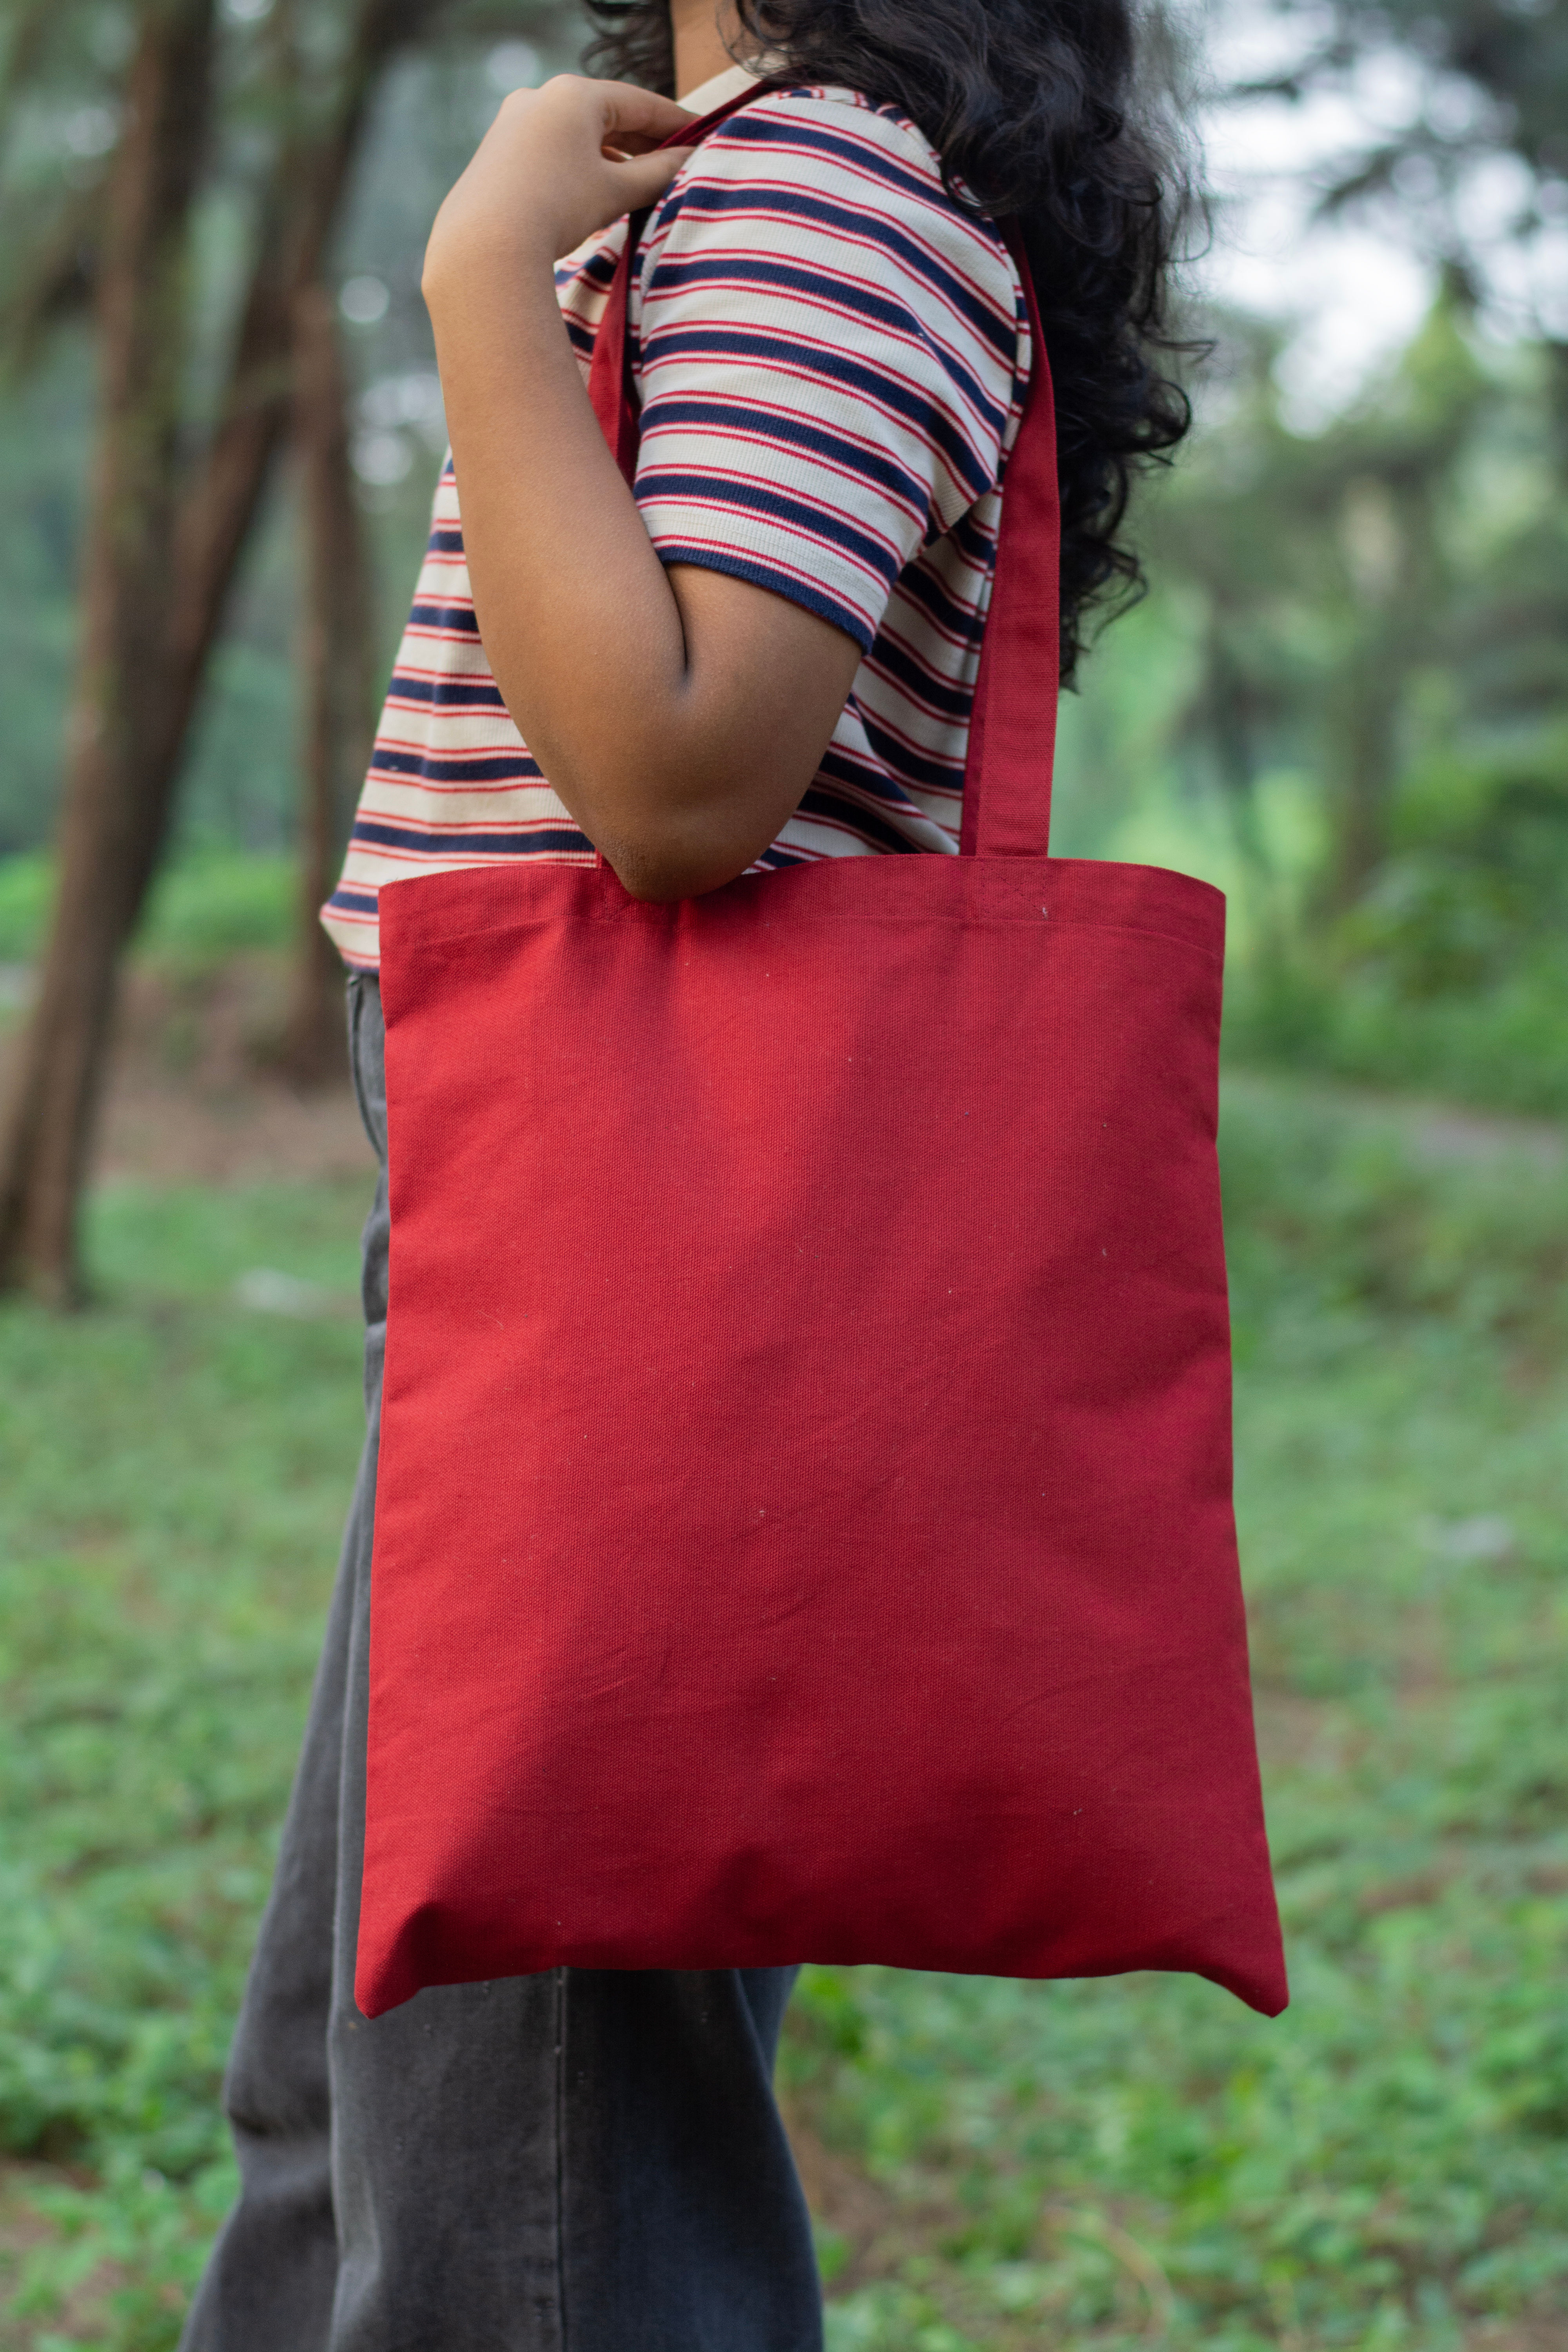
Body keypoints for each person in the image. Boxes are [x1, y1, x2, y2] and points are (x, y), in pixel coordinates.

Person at [180, 1, 1192, 2343]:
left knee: (530, 2195)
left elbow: (672, 779)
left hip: (654, 1238)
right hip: (542, 1225)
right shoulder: (731, 167)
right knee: (352, 2120)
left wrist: (474, 286)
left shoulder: (830, 186)